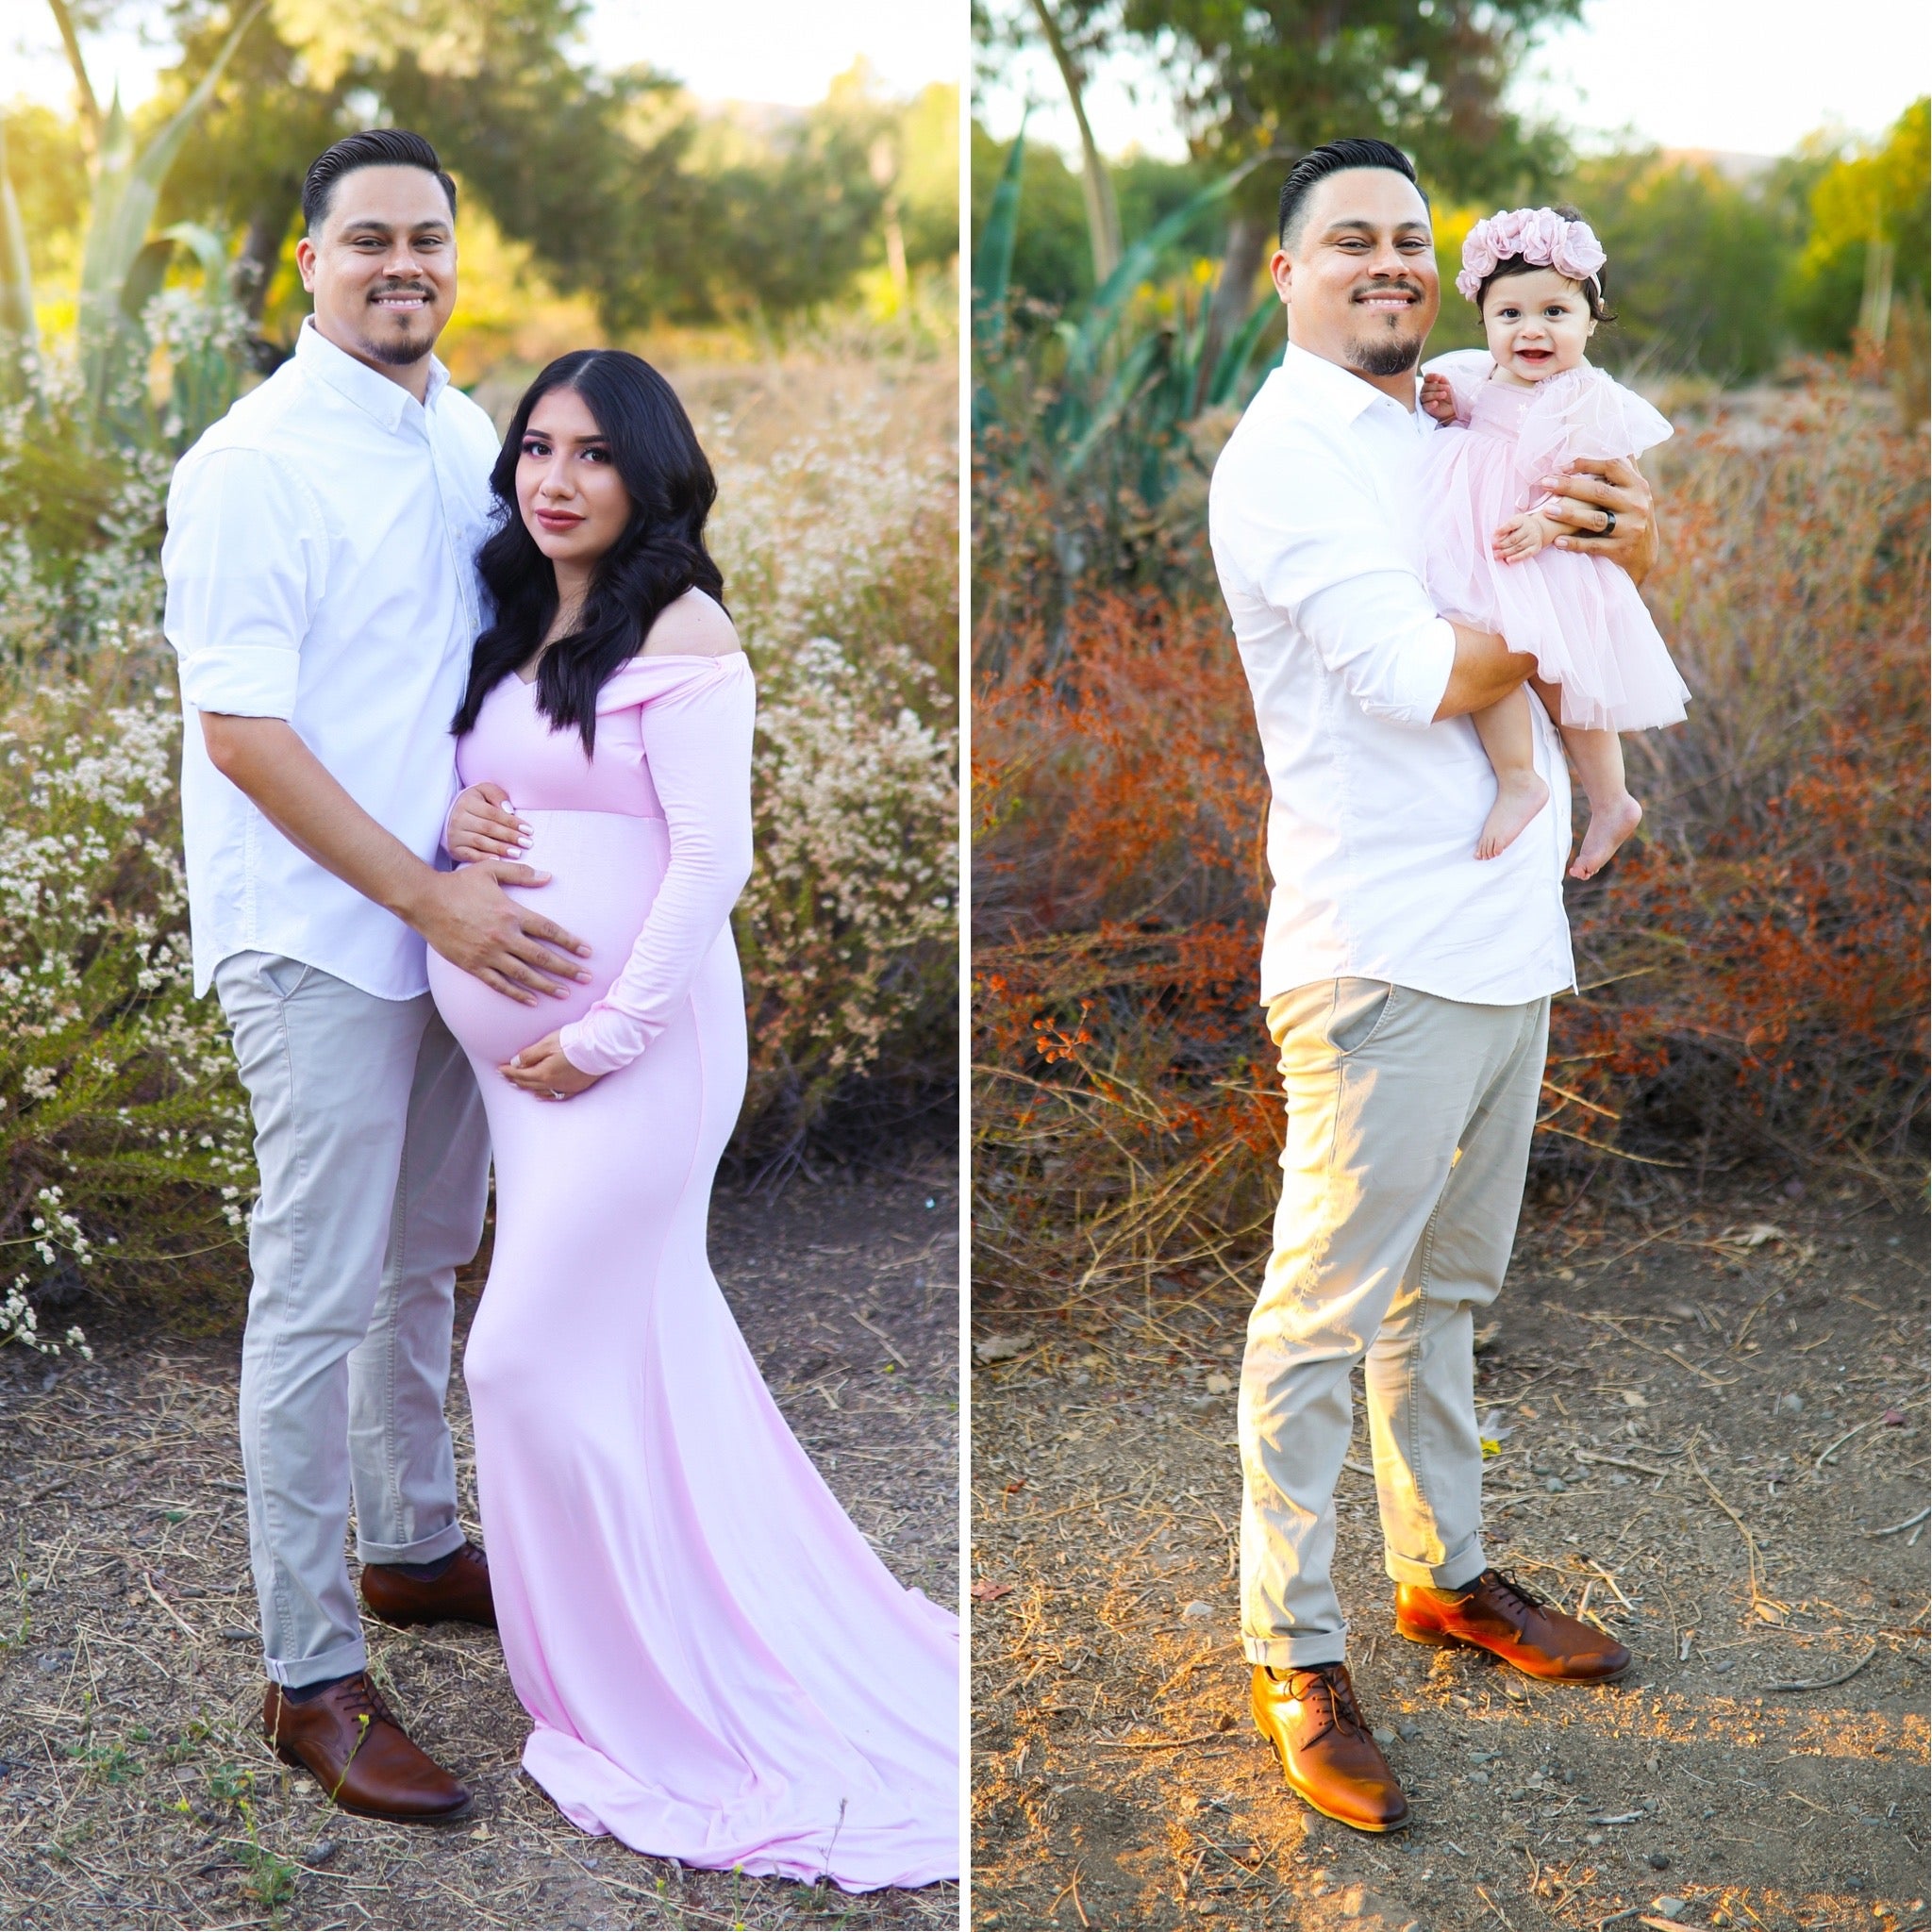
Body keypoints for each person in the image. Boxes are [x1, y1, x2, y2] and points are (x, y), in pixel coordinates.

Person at [427, 349, 960, 1890]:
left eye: (591, 454)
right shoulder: (526, 615)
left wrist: (604, 1029)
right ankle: (650, 1610)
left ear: (647, 474)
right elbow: (503, 791)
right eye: (535, 446)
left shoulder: (681, 623)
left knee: (514, 1355)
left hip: (636, 1064)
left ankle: (632, 1691)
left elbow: (706, 859)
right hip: (521, 1084)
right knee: (631, 1344)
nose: (554, 477)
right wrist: (460, 820)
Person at [1207, 138, 1649, 1838]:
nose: (1386, 262)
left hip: (1499, 933)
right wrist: (1564, 595)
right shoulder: (1286, 461)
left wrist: (1596, 540)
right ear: (1285, 271)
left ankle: (1444, 1573)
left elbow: (1590, 487)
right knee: (1319, 1315)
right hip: (1376, 951)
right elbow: (1411, 671)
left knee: (1444, 1298)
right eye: (1349, 242)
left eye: (1407, 237)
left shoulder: (1441, 410)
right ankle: (1291, 1647)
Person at [162, 129, 593, 1825]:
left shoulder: (462, 426)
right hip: (322, 931)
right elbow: (245, 733)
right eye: (368, 241)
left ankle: (414, 1541)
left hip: (445, 925)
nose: (402, 264)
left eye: (427, 240)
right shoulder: (252, 462)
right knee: (322, 1285)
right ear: (307, 264)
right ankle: (309, 1669)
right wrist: (426, 888)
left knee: (431, 1254)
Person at [1417, 205, 1690, 873]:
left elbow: (1594, 487)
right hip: (1483, 548)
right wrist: (1453, 409)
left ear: (1591, 321)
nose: (1531, 331)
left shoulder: (1582, 396)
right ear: (1484, 321)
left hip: (1542, 551)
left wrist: (1546, 524)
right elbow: (1479, 422)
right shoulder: (1483, 376)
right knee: (1479, 648)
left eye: (1555, 314)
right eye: (1509, 315)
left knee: (1573, 687)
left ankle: (1612, 798)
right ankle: (1521, 778)